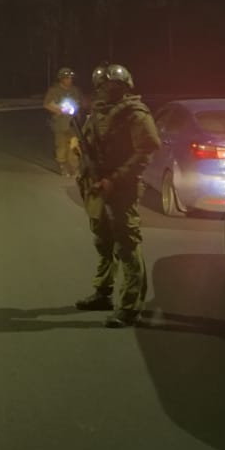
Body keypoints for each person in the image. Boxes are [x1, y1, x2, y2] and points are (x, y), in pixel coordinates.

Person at [74, 62, 161, 327]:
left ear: (123, 86)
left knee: (127, 244)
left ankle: (130, 306)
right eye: (101, 85)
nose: (104, 90)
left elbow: (146, 149)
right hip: (97, 184)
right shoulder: (98, 112)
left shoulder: (135, 113)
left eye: (110, 85)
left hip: (121, 186)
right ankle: (103, 292)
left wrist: (114, 178)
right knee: (103, 240)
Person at [43, 66, 83, 176]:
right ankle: (63, 165)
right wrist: (59, 109)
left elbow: (80, 102)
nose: (69, 80)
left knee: (74, 146)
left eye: (70, 78)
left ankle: (74, 167)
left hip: (73, 123)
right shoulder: (54, 90)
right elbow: (46, 104)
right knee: (61, 146)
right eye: (67, 78)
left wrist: (77, 108)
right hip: (60, 122)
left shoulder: (75, 90)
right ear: (61, 79)